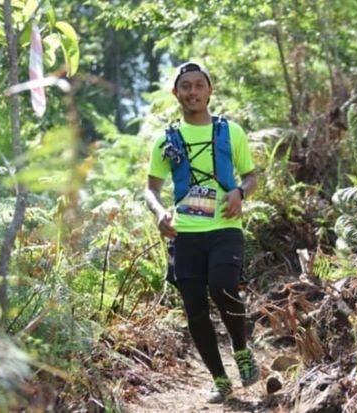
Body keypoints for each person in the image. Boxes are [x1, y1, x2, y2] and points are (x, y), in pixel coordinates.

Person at [144, 61, 260, 403]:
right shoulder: (166, 140)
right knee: (194, 306)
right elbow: (151, 188)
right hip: (184, 234)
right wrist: (160, 212)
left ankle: (241, 351)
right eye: (186, 86)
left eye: (199, 85)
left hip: (225, 226)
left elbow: (251, 176)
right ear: (175, 92)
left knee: (223, 287)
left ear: (209, 91)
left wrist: (240, 193)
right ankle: (220, 379)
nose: (192, 92)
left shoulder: (230, 132)